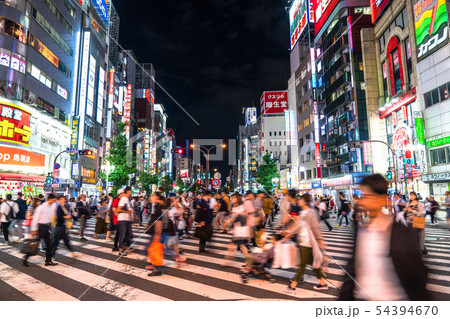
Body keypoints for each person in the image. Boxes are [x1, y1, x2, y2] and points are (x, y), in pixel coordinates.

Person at [339, 174, 429, 301]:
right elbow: (351, 272)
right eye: (363, 196)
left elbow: (417, 279)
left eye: (368, 196)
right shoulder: (361, 232)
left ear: (382, 199)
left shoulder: (404, 234)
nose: (363, 201)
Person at [284, 193, 328, 292]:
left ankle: (292, 285)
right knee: (313, 264)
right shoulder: (303, 212)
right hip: (303, 241)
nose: (298, 201)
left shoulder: (310, 212)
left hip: (309, 242)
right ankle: (323, 283)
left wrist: (320, 239)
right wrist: (289, 234)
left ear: (304, 201)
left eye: (300, 200)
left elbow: (315, 227)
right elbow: (298, 225)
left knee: (302, 265)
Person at [221, 192, 252, 270]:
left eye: (233, 198)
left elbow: (239, 217)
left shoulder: (241, 206)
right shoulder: (236, 207)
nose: (231, 200)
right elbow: (234, 217)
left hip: (241, 229)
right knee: (241, 246)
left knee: (235, 245)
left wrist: (230, 220)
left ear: (237, 199)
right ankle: (247, 261)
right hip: (238, 229)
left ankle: (226, 261)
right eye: (231, 198)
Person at [28, 194, 58, 266]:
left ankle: (48, 261)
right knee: (35, 244)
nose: (54, 201)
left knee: (49, 245)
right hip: (40, 227)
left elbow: (51, 218)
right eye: (53, 200)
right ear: (50, 199)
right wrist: (34, 229)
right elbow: (36, 218)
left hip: (46, 227)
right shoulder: (41, 207)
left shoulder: (51, 207)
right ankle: (26, 257)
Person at [50, 196, 78, 260]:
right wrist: (66, 217)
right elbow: (58, 217)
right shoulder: (57, 206)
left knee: (66, 240)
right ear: (59, 200)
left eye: (64, 199)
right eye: (62, 199)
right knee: (55, 242)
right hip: (58, 226)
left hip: (62, 226)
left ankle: (72, 252)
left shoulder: (61, 206)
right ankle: (50, 256)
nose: (64, 200)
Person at [117, 187, 133, 256]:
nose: (131, 192)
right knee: (122, 235)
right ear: (128, 191)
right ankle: (120, 250)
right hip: (122, 219)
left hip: (127, 219)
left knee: (129, 234)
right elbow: (118, 209)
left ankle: (125, 246)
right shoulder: (123, 199)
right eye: (131, 191)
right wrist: (127, 211)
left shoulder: (127, 199)